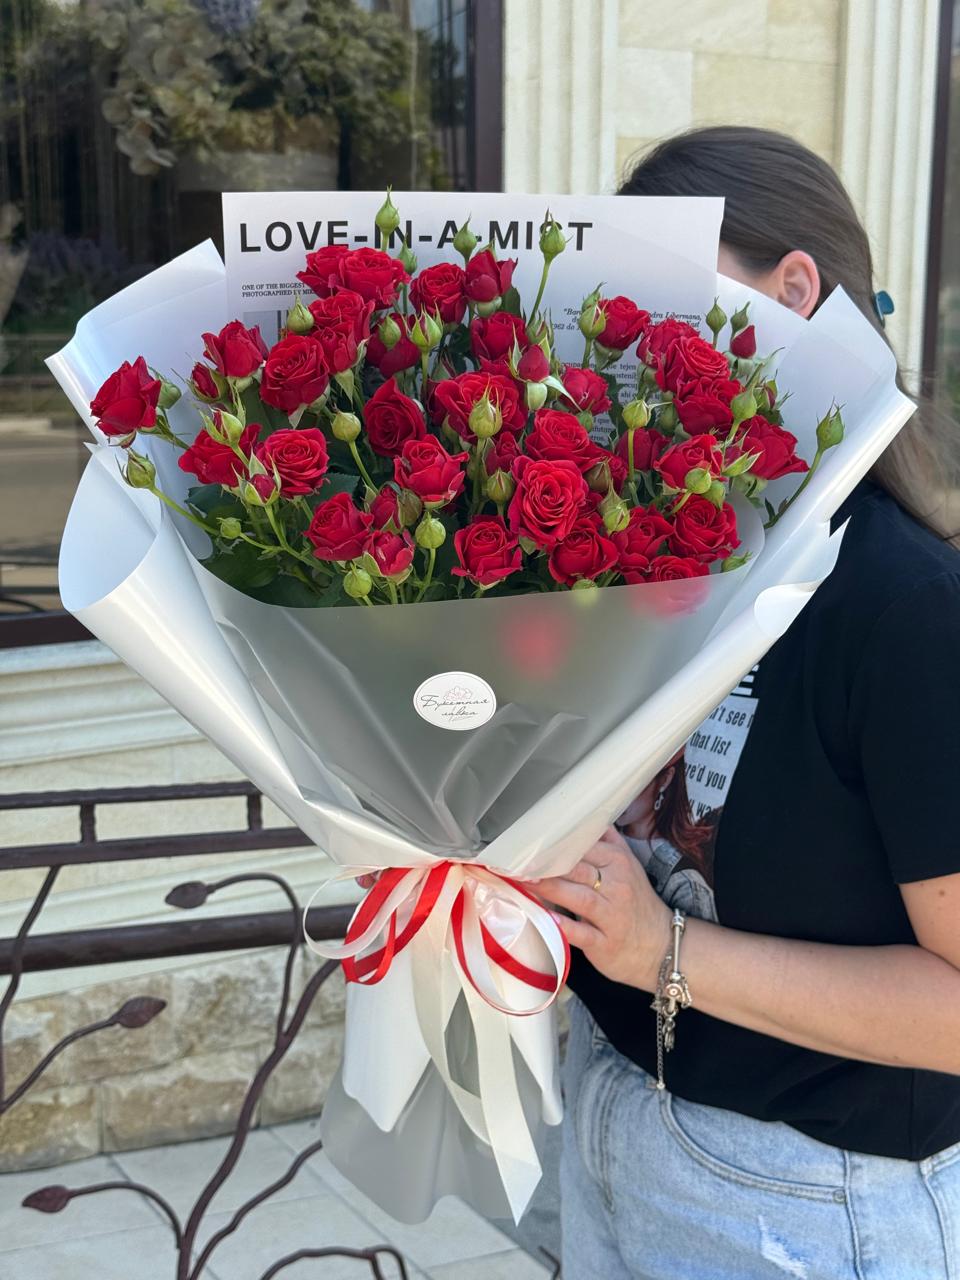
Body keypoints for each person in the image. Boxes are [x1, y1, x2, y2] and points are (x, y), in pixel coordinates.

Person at [535, 126, 960, 1280]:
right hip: (613, 1106)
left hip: (803, 1198)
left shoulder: (907, 606)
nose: (625, 348)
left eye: (657, 301)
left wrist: (661, 948)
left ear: (793, 289)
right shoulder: (668, 553)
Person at [616, 749, 718, 923]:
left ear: (665, 779)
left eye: (635, 779)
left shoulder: (685, 884)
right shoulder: (597, 834)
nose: (621, 792)